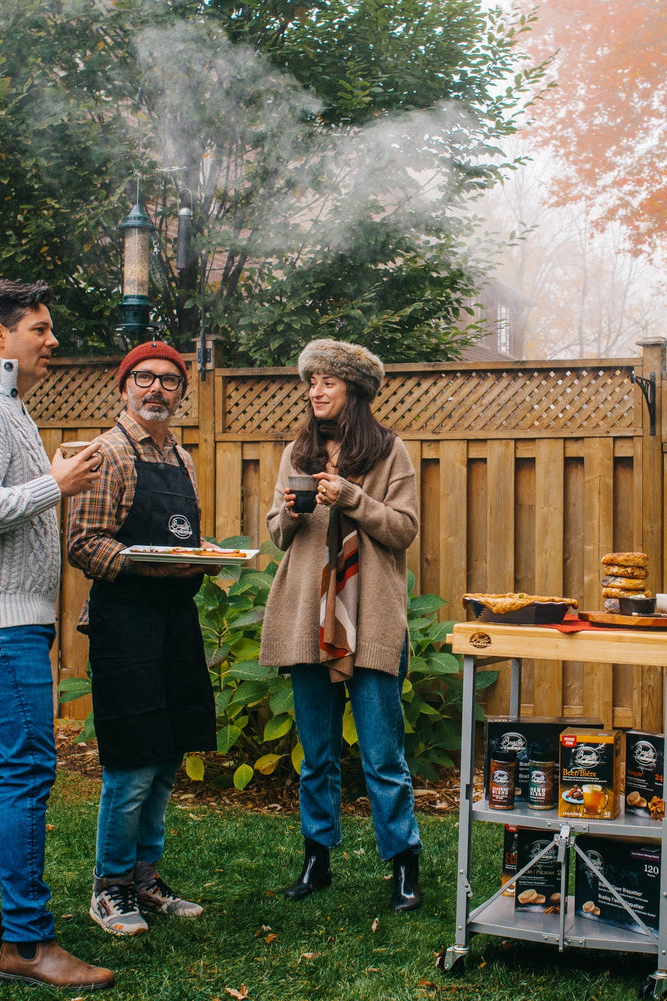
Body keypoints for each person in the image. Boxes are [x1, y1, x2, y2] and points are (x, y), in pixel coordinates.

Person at [0, 280, 114, 991]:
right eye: (40, 327)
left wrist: (52, 476)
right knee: (27, 769)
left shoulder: (4, 407)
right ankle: (29, 942)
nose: (53, 339)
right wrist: (56, 484)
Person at [260, 338, 423, 912]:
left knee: (382, 754)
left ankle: (403, 864)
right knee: (318, 751)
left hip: (368, 615)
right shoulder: (296, 453)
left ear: (354, 390)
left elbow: (403, 530)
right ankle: (316, 859)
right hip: (310, 615)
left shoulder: (389, 453)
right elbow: (277, 535)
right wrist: (292, 510)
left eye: (328, 381)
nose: (316, 390)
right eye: (312, 382)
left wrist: (352, 497)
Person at [66, 340, 217, 936]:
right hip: (124, 622)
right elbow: (83, 543)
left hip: (174, 621)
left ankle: (145, 881)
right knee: (131, 762)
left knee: (166, 755)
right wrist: (146, 563)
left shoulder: (183, 459)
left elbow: (181, 543)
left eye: (169, 381)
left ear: (182, 393)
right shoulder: (109, 454)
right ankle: (109, 888)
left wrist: (200, 559)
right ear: (124, 387)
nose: (157, 389)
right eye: (145, 379)